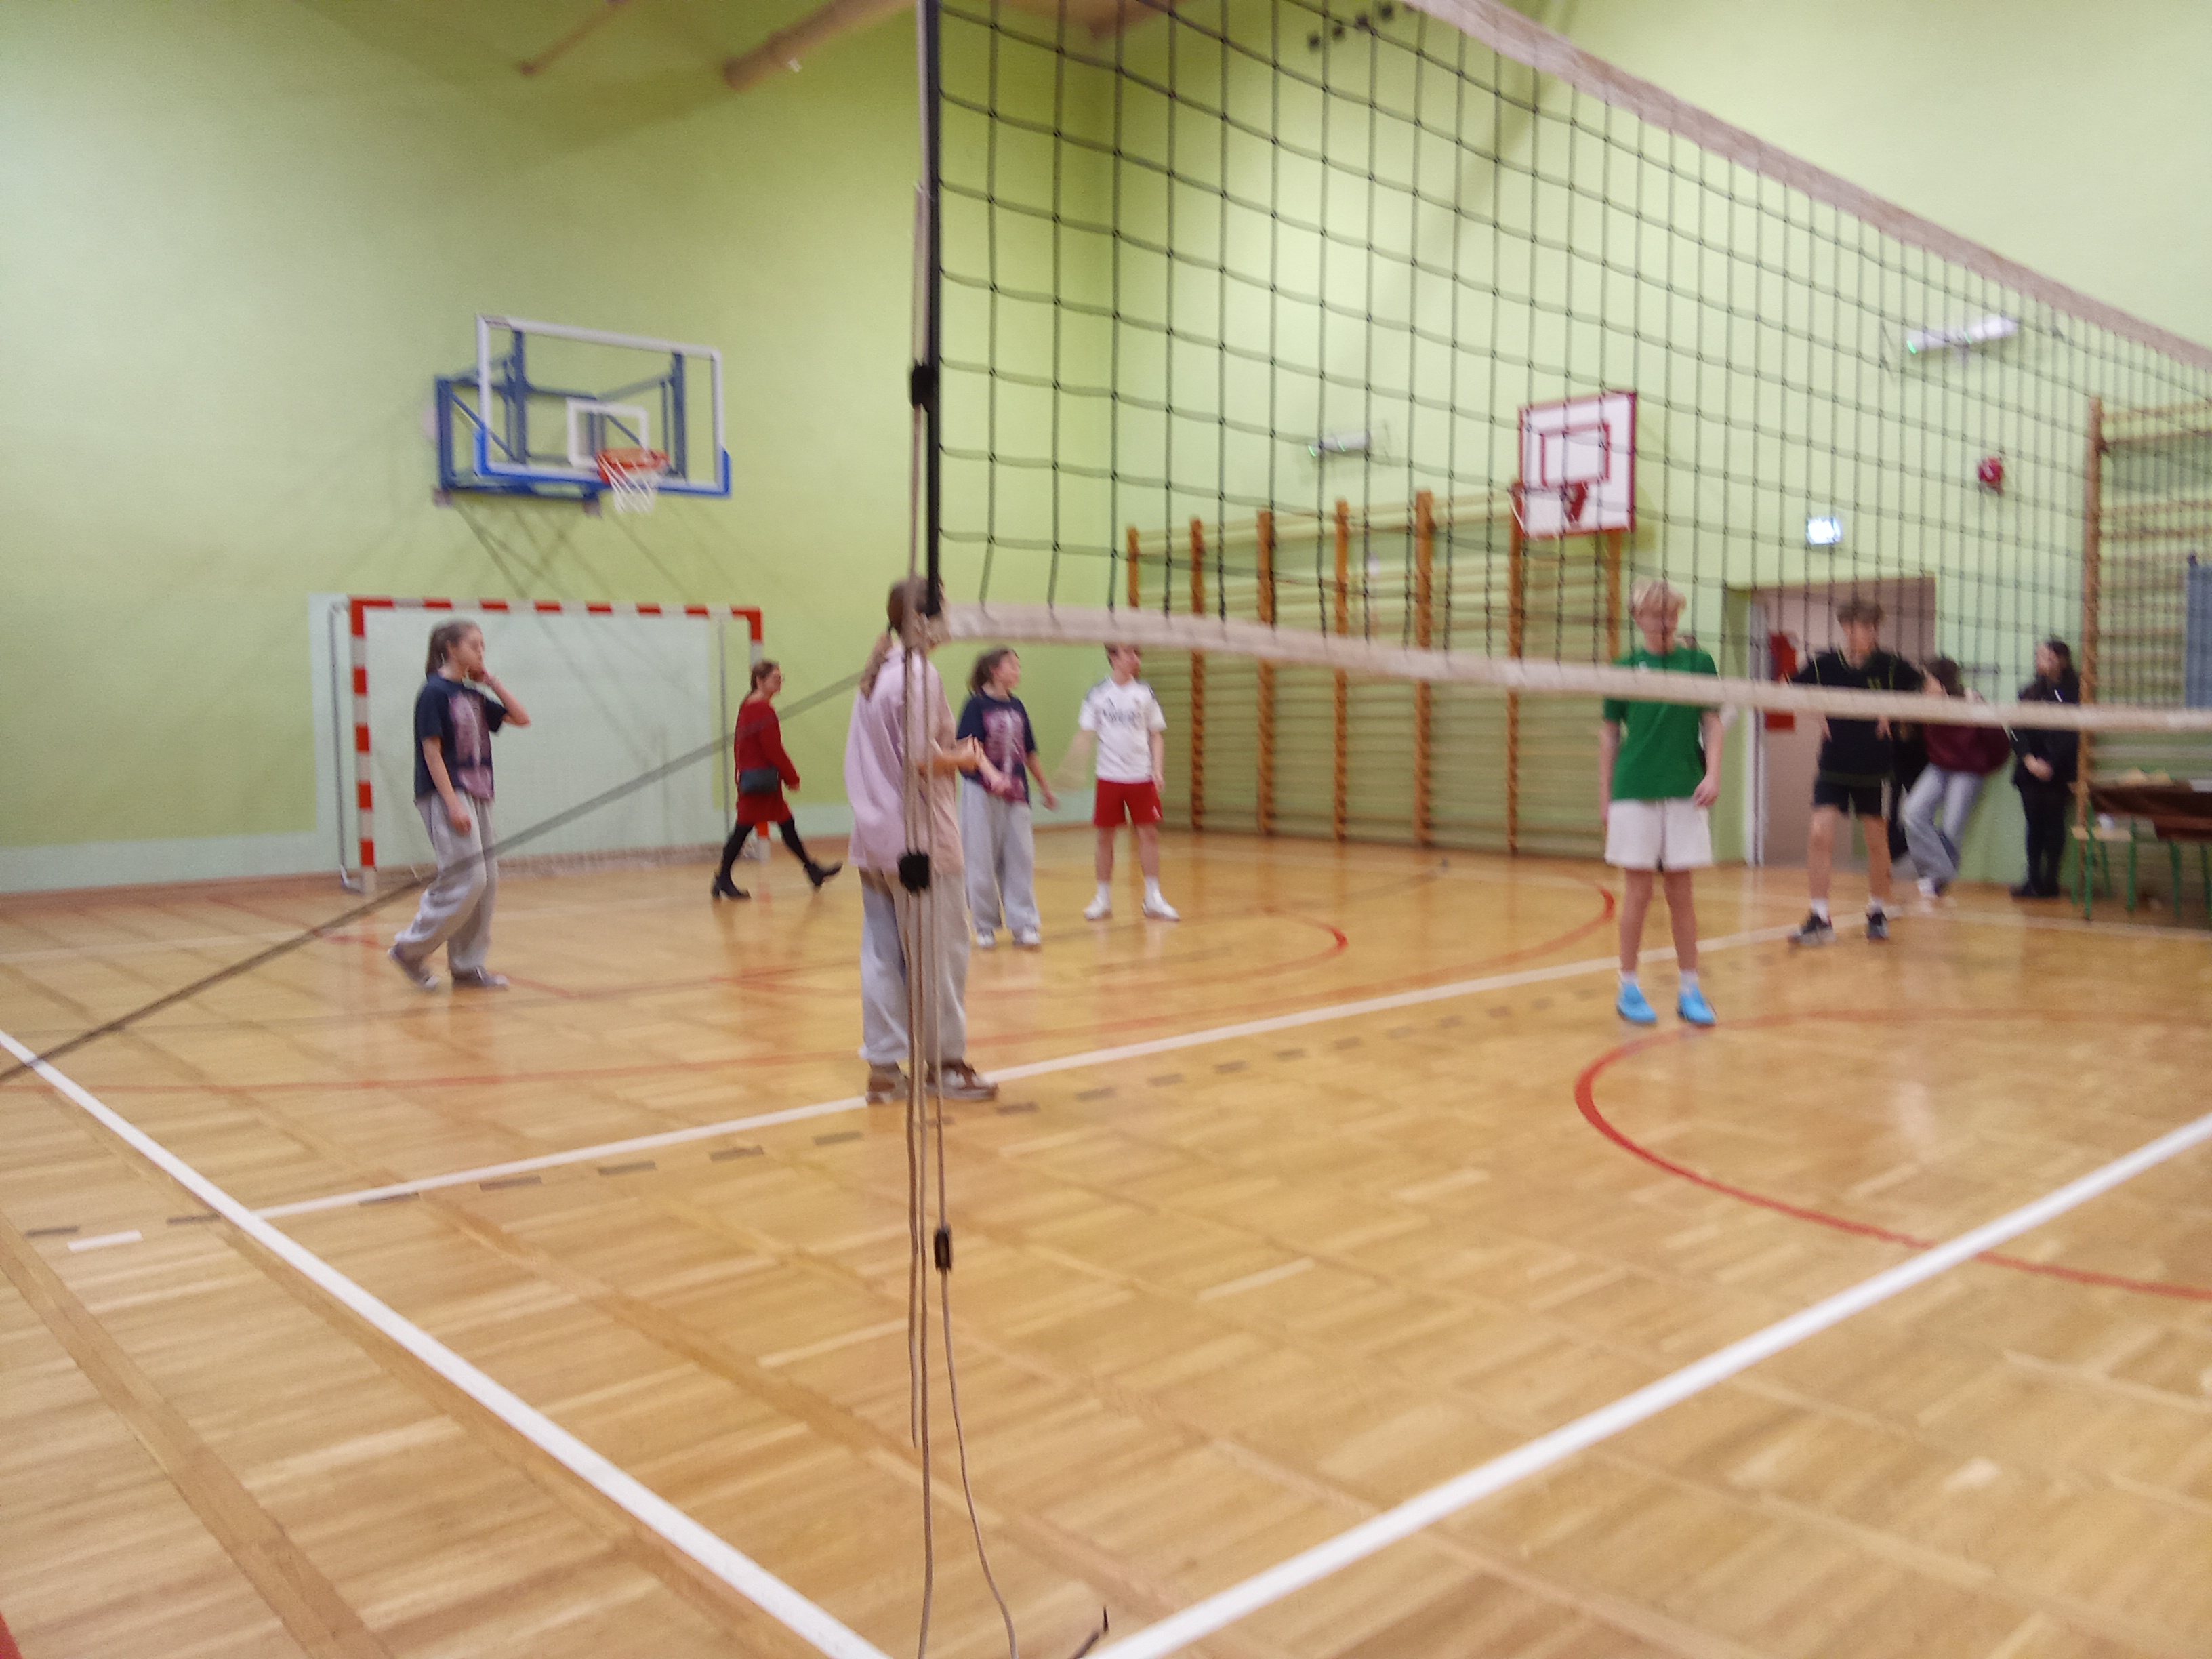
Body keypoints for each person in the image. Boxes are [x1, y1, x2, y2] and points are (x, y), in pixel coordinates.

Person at [844, 577, 1006, 1104]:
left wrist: (950, 751)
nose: (950, 617)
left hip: (874, 841)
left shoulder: (877, 675)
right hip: (920, 842)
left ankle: (884, 1070)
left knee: (883, 957)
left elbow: (905, 751)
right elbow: (919, 757)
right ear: (921, 621)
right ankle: (945, 1067)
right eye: (943, 608)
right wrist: (963, 757)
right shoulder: (920, 674)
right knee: (940, 957)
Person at [1599, 579, 1723, 1027]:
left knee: (1681, 893)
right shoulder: (1623, 668)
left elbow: (1712, 723)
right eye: (1655, 614)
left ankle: (1690, 989)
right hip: (1634, 788)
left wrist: (1713, 773)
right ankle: (1628, 986)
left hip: (1684, 789)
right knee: (1637, 892)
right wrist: (1605, 796)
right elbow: (1609, 735)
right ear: (1638, 618)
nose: (1665, 621)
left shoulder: (1699, 663)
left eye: (1671, 612)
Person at [388, 620, 530, 991]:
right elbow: (431, 752)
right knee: (467, 877)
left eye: (483, 646)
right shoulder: (434, 692)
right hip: (447, 793)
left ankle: (467, 966)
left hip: (480, 790)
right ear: (451, 649)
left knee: (487, 881)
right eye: (474, 645)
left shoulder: (472, 695)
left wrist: (492, 681)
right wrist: (452, 804)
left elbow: (521, 718)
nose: (481, 652)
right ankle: (409, 950)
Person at [1787, 598, 1924, 945]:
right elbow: (1787, 686)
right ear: (1847, 628)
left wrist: (1894, 711)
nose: (1871, 632)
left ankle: (1877, 911)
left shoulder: (1890, 665)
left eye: (1874, 626)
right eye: (1864, 626)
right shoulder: (1826, 664)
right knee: (1820, 833)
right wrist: (1816, 712)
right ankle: (1820, 917)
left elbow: (1931, 690)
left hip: (1873, 764)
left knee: (1877, 839)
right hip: (1834, 761)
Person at [1063, 644, 1177, 922]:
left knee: (1149, 835)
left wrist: (1157, 769)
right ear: (1113, 657)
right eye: (1129, 653)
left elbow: (1156, 735)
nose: (1135, 659)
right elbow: (1086, 732)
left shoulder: (1145, 693)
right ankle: (1102, 899)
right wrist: (1073, 766)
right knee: (1105, 837)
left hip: (1141, 777)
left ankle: (1153, 898)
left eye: (1137, 653)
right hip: (1109, 777)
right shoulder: (1097, 694)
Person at [712, 660, 842, 899]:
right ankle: (723, 878)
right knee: (744, 829)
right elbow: (773, 748)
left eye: (781, 678)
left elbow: (743, 748)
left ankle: (811, 870)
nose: (780, 682)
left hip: (756, 780)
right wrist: (792, 776)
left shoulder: (748, 706)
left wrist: (740, 772)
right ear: (760, 681)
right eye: (775, 678)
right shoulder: (762, 710)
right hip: (760, 782)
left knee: (784, 823)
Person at [957, 647, 1058, 949]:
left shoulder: (1017, 706)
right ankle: (984, 925)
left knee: (1020, 857)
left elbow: (1029, 752)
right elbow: (969, 748)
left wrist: (1044, 787)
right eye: (1012, 665)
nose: (1017, 671)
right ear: (995, 670)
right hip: (980, 792)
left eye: (1018, 665)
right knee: (980, 858)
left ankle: (1024, 924)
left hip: (1016, 793)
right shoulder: (975, 705)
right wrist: (991, 776)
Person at [1901, 657, 2011, 900]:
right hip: (1939, 767)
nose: (1924, 685)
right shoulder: (1925, 704)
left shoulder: (1972, 702)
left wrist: (1984, 764)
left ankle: (1936, 880)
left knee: (1951, 829)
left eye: (1928, 680)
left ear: (1941, 683)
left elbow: (2000, 743)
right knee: (1913, 812)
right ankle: (1940, 874)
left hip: (1968, 770)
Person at [2010, 638, 2081, 899]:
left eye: (2046, 656)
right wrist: (2029, 760)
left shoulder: (2076, 692)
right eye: (2038, 655)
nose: (2039, 660)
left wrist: (2051, 763)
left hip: (2059, 771)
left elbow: (2072, 734)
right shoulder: (2030, 692)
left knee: (2054, 824)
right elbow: (2016, 729)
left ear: (2061, 660)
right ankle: (2033, 880)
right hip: (2030, 770)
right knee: (2034, 824)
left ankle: (2051, 882)